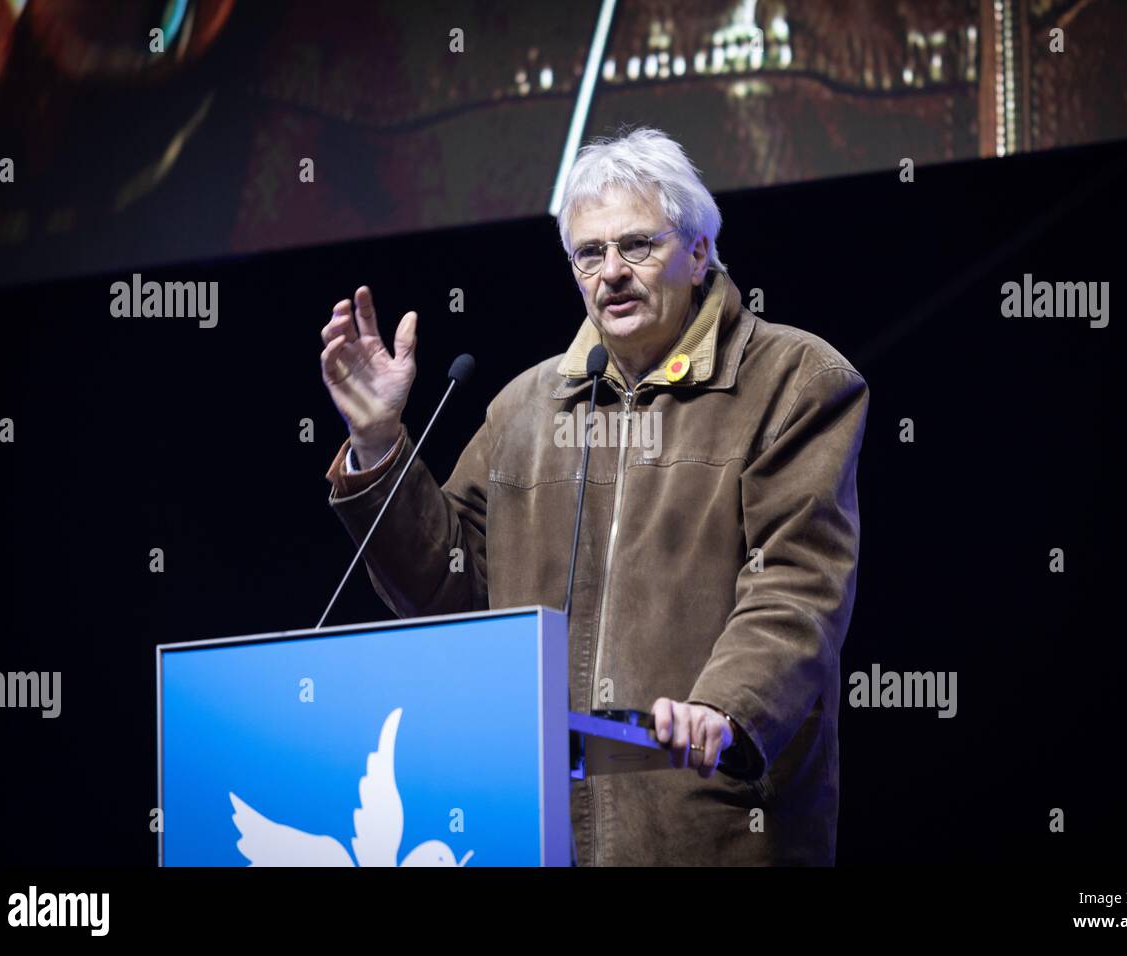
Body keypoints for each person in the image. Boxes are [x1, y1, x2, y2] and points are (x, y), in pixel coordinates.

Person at [319, 127, 869, 865]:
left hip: (707, 824)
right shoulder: (526, 409)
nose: (610, 272)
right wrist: (381, 443)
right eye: (588, 253)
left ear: (700, 250)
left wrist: (722, 707)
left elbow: (798, 583)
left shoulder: (793, 381)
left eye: (636, 245)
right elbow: (450, 587)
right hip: (537, 828)